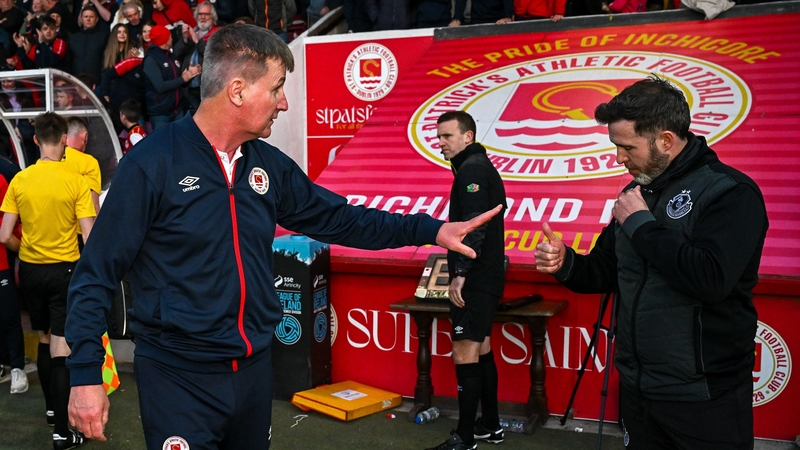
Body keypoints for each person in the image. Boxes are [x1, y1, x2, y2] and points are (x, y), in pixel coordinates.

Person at [65, 24, 501, 450]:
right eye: (275, 89)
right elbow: (95, 274)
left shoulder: (268, 166)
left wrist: (430, 229)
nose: (284, 103)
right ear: (237, 91)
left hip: (255, 372)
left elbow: (343, 220)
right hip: (178, 377)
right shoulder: (151, 164)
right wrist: (85, 375)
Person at [534, 75, 768, 450]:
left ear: (665, 140)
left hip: (705, 396)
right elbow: (606, 270)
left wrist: (643, 226)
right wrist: (566, 264)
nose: (618, 157)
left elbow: (711, 279)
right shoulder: (636, 192)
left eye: (626, 147)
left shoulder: (731, 192)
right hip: (638, 389)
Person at [0, 112, 95, 450]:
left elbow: (3, 233)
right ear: (65, 141)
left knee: (42, 338)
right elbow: (90, 236)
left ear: (36, 140)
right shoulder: (76, 181)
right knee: (61, 345)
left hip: (30, 270)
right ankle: (61, 430)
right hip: (64, 271)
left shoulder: (21, 180)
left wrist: (26, 249)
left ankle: (51, 411)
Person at [424, 111, 507, 450]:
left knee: (464, 349)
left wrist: (459, 275)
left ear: (468, 137)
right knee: (481, 345)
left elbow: (473, 225)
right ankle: (489, 425)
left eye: (447, 136)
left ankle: (464, 437)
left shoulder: (472, 171)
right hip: (486, 273)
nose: (441, 142)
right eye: (439, 136)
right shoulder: (475, 168)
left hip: (475, 276)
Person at [0, 174, 28, 395]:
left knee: (9, 315)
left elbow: (12, 222)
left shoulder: (0, 181)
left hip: (0, 262)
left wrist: (23, 249)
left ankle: (18, 367)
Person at [172, 1, 219, 110]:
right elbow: (176, 54)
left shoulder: (217, 34)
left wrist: (197, 41)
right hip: (190, 85)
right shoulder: (191, 32)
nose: (202, 17)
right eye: (200, 14)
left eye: (206, 14)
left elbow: (214, 55)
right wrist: (184, 40)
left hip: (208, 86)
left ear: (212, 16)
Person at [63, 116, 101, 214]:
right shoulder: (89, 163)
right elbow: (93, 206)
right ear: (85, 137)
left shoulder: (52, 159)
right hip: (79, 228)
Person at [69, 6, 109, 85]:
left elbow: (106, 61)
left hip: (97, 83)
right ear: (81, 19)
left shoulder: (104, 37)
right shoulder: (73, 38)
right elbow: (68, 61)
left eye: (91, 16)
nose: (88, 19)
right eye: (85, 16)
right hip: (76, 82)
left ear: (96, 19)